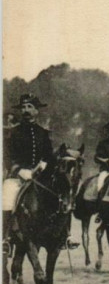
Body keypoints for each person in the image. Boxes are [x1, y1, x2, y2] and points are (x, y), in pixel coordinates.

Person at [3, 94, 56, 252]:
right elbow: (6, 156)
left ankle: (63, 235)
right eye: (24, 107)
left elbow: (49, 156)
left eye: (30, 107)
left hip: (39, 178)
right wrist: (19, 170)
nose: (26, 110)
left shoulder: (43, 133)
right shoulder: (13, 132)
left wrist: (46, 164)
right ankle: (4, 238)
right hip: (18, 177)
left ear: (37, 111)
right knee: (7, 198)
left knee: (57, 196)